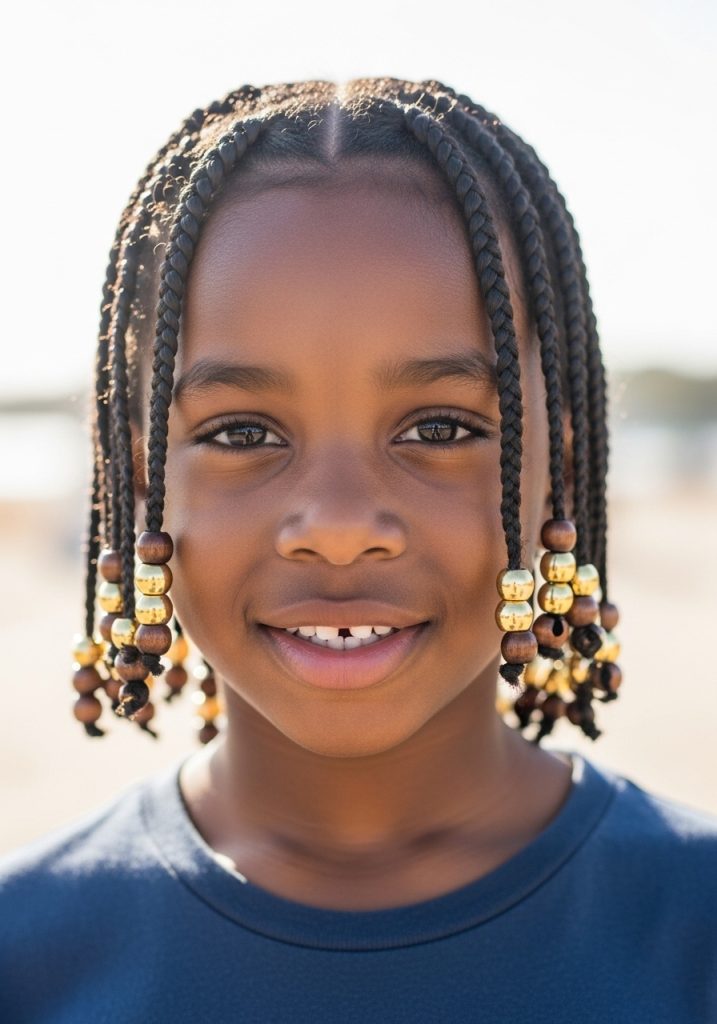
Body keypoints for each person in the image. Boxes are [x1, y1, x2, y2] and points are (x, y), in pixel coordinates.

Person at [1, 78, 715, 1023]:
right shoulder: (27, 956)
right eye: (242, 433)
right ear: (137, 475)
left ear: (564, 461)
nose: (337, 524)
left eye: (439, 428)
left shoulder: (693, 933)